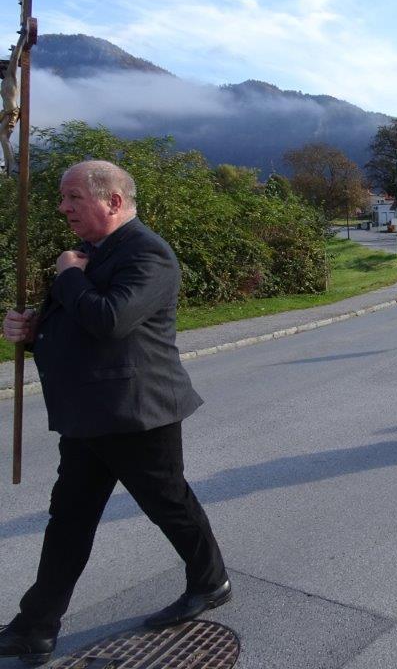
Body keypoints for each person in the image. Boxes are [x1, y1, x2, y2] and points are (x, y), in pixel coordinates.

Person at [0, 161, 230, 665]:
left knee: (169, 504)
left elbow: (109, 320)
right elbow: (80, 326)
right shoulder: (91, 253)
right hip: (89, 415)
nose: (63, 207)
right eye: (63, 197)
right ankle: (36, 627)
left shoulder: (148, 253)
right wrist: (32, 330)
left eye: (73, 197)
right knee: (69, 519)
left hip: (137, 413)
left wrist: (67, 276)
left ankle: (211, 581)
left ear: (114, 201)